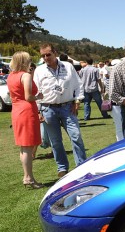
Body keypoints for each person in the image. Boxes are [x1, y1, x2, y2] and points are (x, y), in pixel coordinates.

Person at [34, 43, 87, 178]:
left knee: (76, 136)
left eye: (48, 54)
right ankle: (62, 168)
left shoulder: (68, 66)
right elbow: (36, 92)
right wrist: (38, 111)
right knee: (55, 141)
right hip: (48, 108)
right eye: (43, 56)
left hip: (67, 107)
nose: (46, 58)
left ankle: (81, 166)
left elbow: (78, 84)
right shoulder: (39, 71)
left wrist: (77, 100)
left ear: (55, 53)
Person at [7, 52, 43, 188]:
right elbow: (28, 97)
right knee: (28, 146)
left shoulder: (11, 76)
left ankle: (28, 176)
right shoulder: (25, 75)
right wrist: (39, 96)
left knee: (24, 147)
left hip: (17, 110)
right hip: (27, 111)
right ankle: (28, 178)